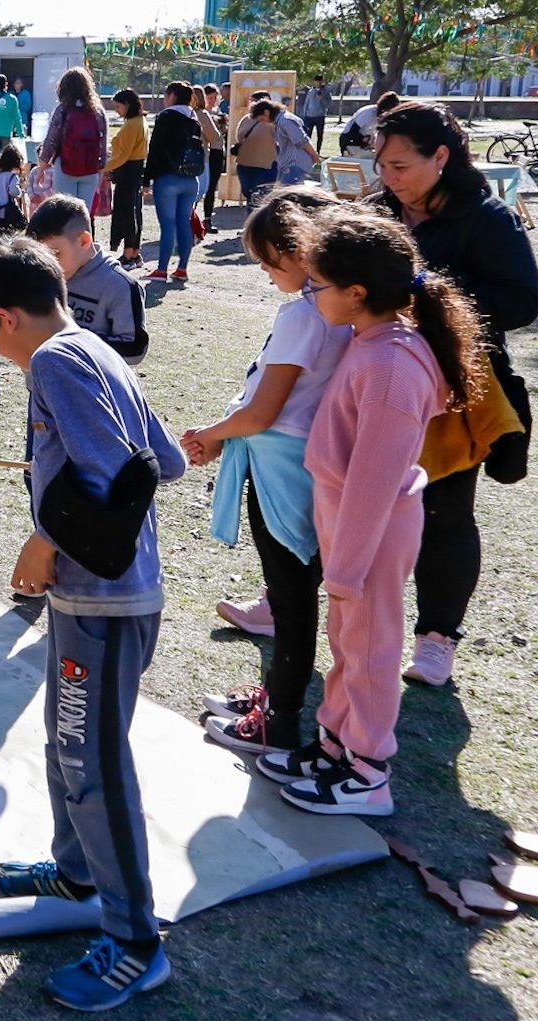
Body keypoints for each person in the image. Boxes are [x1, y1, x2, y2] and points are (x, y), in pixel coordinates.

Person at [0, 237, 184, 1011]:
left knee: (93, 763)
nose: (1, 357)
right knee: (68, 743)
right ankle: (76, 872)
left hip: (103, 599)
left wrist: (43, 539)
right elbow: (166, 459)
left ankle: (134, 942)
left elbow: (109, 472)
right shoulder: (94, 346)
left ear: (4, 317)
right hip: (99, 597)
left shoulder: (55, 362)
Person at [256, 206, 483, 816]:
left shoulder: (389, 366)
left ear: (356, 294)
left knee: (371, 649)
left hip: (370, 535)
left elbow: (373, 485)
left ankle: (367, 770)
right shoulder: (372, 341)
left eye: (319, 284)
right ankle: (336, 745)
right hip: (352, 531)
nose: (311, 293)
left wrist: (346, 569)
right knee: (349, 644)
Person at [180, 186, 351, 755]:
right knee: (292, 593)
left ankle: (278, 721)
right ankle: (274, 696)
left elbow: (263, 411)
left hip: (281, 466)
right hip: (302, 461)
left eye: (267, 259)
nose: (264, 271)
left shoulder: (307, 314)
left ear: (299, 249)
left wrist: (210, 434)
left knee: (290, 599)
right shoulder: (341, 309)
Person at [373, 102, 538, 686]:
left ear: (440, 157)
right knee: (345, 494)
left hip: (455, 389)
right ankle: (285, 602)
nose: (388, 176)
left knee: (444, 513)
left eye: (400, 164)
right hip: (375, 379)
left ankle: (437, 638)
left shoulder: (485, 218)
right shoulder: (381, 211)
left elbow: (523, 299)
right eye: (382, 163)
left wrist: (437, 298)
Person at [27, 195, 148, 365]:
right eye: (40, 255)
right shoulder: (46, 274)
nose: (47, 264)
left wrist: (73, 341)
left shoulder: (120, 286)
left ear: (84, 241)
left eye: (54, 254)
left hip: (92, 388)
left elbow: (135, 349)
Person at [142, 81, 203, 283]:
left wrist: (146, 179)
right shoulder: (195, 119)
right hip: (191, 179)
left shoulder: (166, 117)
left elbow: (155, 149)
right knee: (184, 223)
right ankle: (182, 268)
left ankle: (161, 269)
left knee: (167, 225)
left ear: (173, 95)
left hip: (167, 178)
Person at [38, 67, 107, 207]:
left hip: (65, 166)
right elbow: (103, 143)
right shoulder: (98, 111)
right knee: (84, 214)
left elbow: (51, 141)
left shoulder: (62, 110)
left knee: (66, 212)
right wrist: (101, 169)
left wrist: (41, 168)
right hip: (90, 168)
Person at [103, 89, 147, 268]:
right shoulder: (140, 121)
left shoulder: (131, 124)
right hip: (136, 170)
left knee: (127, 213)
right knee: (135, 212)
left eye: (118, 106)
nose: (117, 110)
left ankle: (128, 254)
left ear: (127, 104)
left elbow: (123, 154)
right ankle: (134, 253)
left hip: (128, 171)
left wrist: (105, 168)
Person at [252, 99, 319, 186]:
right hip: (287, 164)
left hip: (295, 164)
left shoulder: (285, 121)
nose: (263, 122)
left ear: (266, 112)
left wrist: (314, 155)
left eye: (262, 119)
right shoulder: (280, 121)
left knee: (287, 195)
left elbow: (302, 140)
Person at [233, 90, 278, 209]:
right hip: (245, 164)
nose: (252, 105)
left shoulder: (273, 121)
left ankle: (257, 224)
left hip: (265, 166)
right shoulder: (246, 119)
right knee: (249, 195)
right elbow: (238, 137)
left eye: (254, 102)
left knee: (261, 198)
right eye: (251, 102)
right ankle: (252, 223)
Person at [189, 85, 223, 224]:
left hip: (182, 158)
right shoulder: (201, 114)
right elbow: (214, 136)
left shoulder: (181, 113)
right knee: (200, 190)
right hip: (201, 157)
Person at [339, 91, 400, 157]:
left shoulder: (381, 118)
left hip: (362, 142)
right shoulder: (368, 113)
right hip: (348, 140)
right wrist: (363, 140)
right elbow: (353, 132)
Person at [0, 143, 27, 236]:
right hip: (8, 213)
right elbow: (14, 191)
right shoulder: (12, 177)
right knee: (16, 233)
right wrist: (20, 193)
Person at [201, 84, 227, 234]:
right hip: (205, 153)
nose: (212, 100)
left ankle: (207, 219)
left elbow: (223, 133)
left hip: (217, 152)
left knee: (212, 187)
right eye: (209, 97)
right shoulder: (201, 114)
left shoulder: (220, 113)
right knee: (200, 187)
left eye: (214, 97)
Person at [299, 75, 332, 149]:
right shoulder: (310, 91)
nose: (318, 83)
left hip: (320, 116)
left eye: (320, 81)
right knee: (307, 135)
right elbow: (306, 103)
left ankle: (318, 151)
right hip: (309, 117)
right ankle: (307, 151)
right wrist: (304, 115)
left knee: (319, 135)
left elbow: (329, 104)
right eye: (316, 81)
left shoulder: (326, 92)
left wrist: (322, 99)